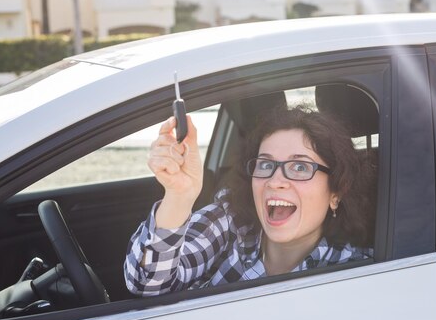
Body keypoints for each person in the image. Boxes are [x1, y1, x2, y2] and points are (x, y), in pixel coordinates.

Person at [124, 105, 374, 296]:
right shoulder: (230, 223)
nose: (275, 181)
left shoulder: (358, 273)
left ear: (335, 193)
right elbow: (146, 283)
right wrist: (179, 196)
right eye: (265, 164)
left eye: (299, 167)